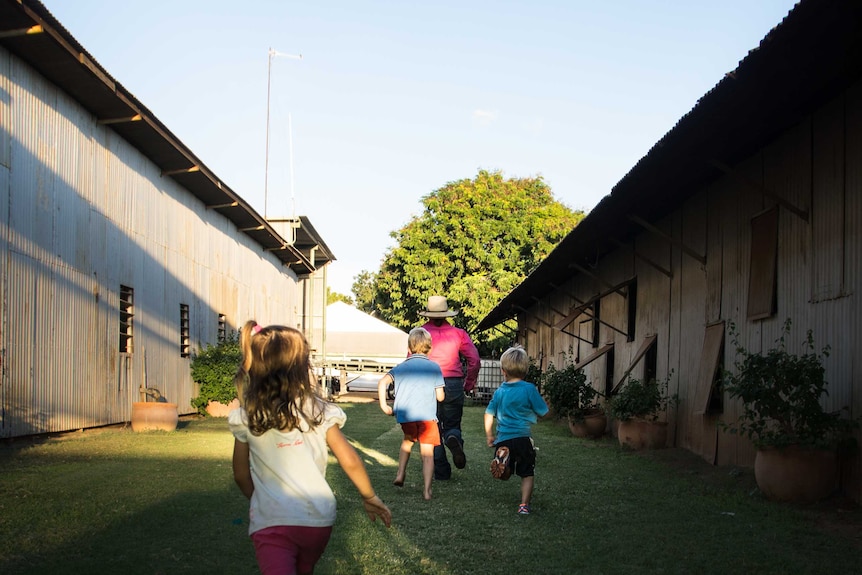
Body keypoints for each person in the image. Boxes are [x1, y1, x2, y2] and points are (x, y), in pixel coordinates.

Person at [229, 323, 392, 575]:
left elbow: (240, 474)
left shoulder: (247, 416)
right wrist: (369, 496)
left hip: (271, 521)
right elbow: (349, 459)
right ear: (301, 367)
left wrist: (260, 499)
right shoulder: (319, 411)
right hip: (317, 520)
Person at [377, 327, 446, 500]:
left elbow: (382, 382)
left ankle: (400, 474)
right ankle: (427, 491)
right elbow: (440, 397)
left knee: (407, 442)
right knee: (427, 453)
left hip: (406, 416)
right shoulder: (434, 367)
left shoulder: (402, 367)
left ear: (409, 348)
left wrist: (385, 406)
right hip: (427, 417)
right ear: (429, 348)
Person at [418, 296, 481, 480]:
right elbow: (474, 360)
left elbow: (411, 361)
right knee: (452, 424)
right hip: (453, 384)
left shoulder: (420, 334)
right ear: (446, 314)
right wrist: (468, 384)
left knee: (432, 429)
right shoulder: (458, 333)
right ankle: (453, 438)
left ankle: (442, 471)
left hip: (428, 385)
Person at [484, 344, 549, 516]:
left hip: (503, 438)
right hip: (523, 437)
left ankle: (503, 461)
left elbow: (488, 414)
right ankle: (523, 505)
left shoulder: (500, 391)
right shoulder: (529, 389)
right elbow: (543, 411)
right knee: (527, 472)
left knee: (506, 470)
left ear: (503, 371)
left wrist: (490, 435)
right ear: (525, 370)